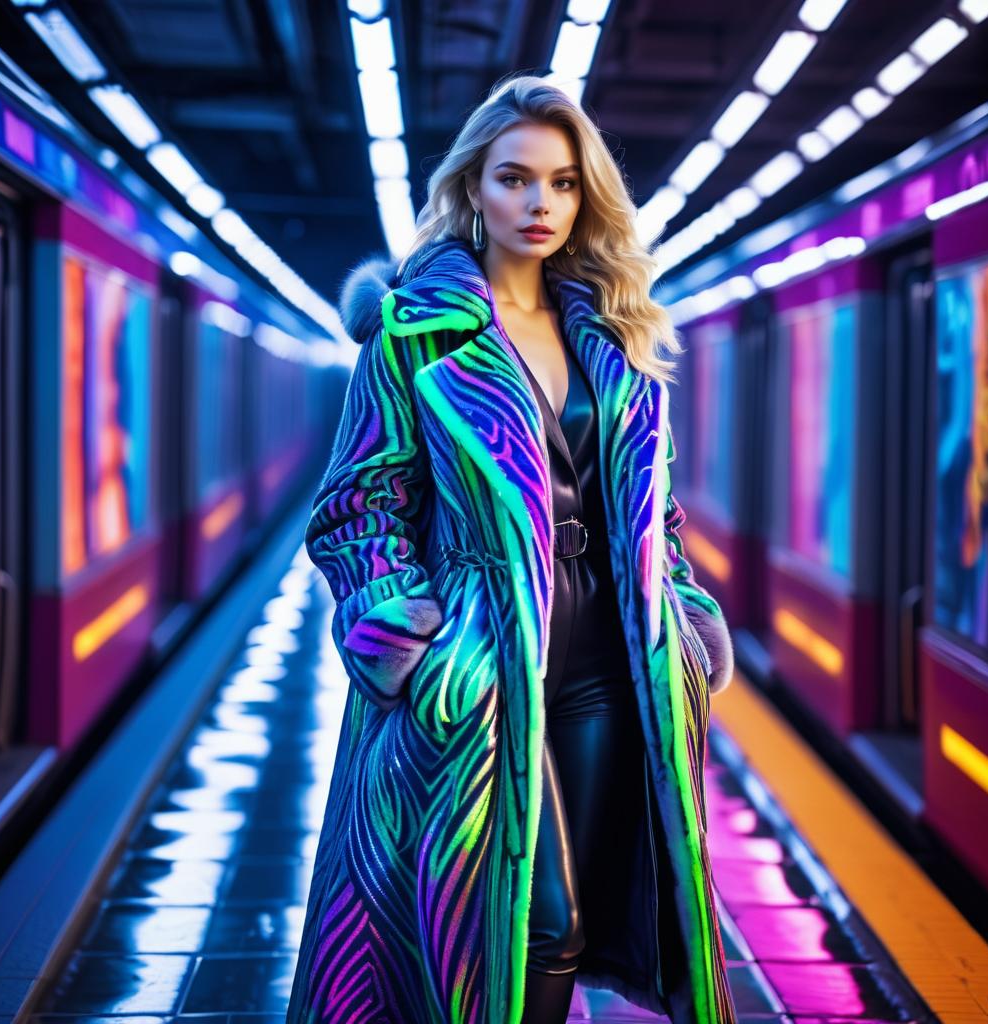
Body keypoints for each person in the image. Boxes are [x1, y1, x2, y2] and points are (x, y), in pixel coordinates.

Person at [286, 74, 736, 1024]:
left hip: (611, 654)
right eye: (515, 179)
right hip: (486, 654)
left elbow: (654, 513)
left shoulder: (614, 334)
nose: (540, 205)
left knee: (588, 910)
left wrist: (686, 607)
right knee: (535, 922)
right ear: (471, 190)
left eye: (564, 183)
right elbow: (358, 504)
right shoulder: (412, 335)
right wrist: (405, 635)